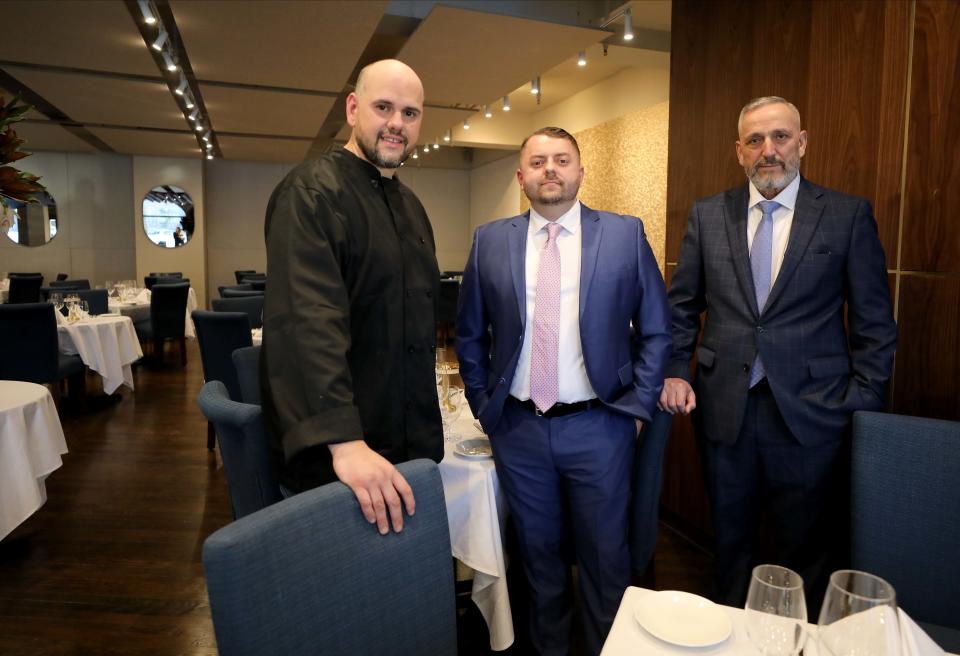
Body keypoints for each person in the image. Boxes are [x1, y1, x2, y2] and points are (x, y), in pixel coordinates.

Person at [659, 96, 897, 609]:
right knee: (728, 547)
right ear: (738, 152)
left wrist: (861, 400)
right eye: (755, 140)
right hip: (725, 411)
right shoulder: (706, 215)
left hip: (815, 414)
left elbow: (875, 322)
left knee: (807, 553)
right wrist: (677, 372)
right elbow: (681, 308)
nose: (769, 151)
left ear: (802, 143)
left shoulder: (846, 215)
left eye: (781, 137)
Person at [456, 126, 671, 656]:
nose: (549, 169)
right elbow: (469, 334)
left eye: (561, 160)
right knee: (538, 563)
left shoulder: (624, 234)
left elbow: (657, 329)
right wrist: (488, 410)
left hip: (601, 426)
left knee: (606, 563)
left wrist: (637, 408)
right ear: (521, 176)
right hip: (520, 432)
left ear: (580, 171)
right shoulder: (490, 239)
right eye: (537, 162)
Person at [260, 59, 443, 535]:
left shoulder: (411, 206)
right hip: (341, 462)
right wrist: (345, 443)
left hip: (406, 448)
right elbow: (306, 323)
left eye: (410, 113)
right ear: (353, 108)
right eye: (383, 107)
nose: (396, 124)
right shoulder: (310, 193)